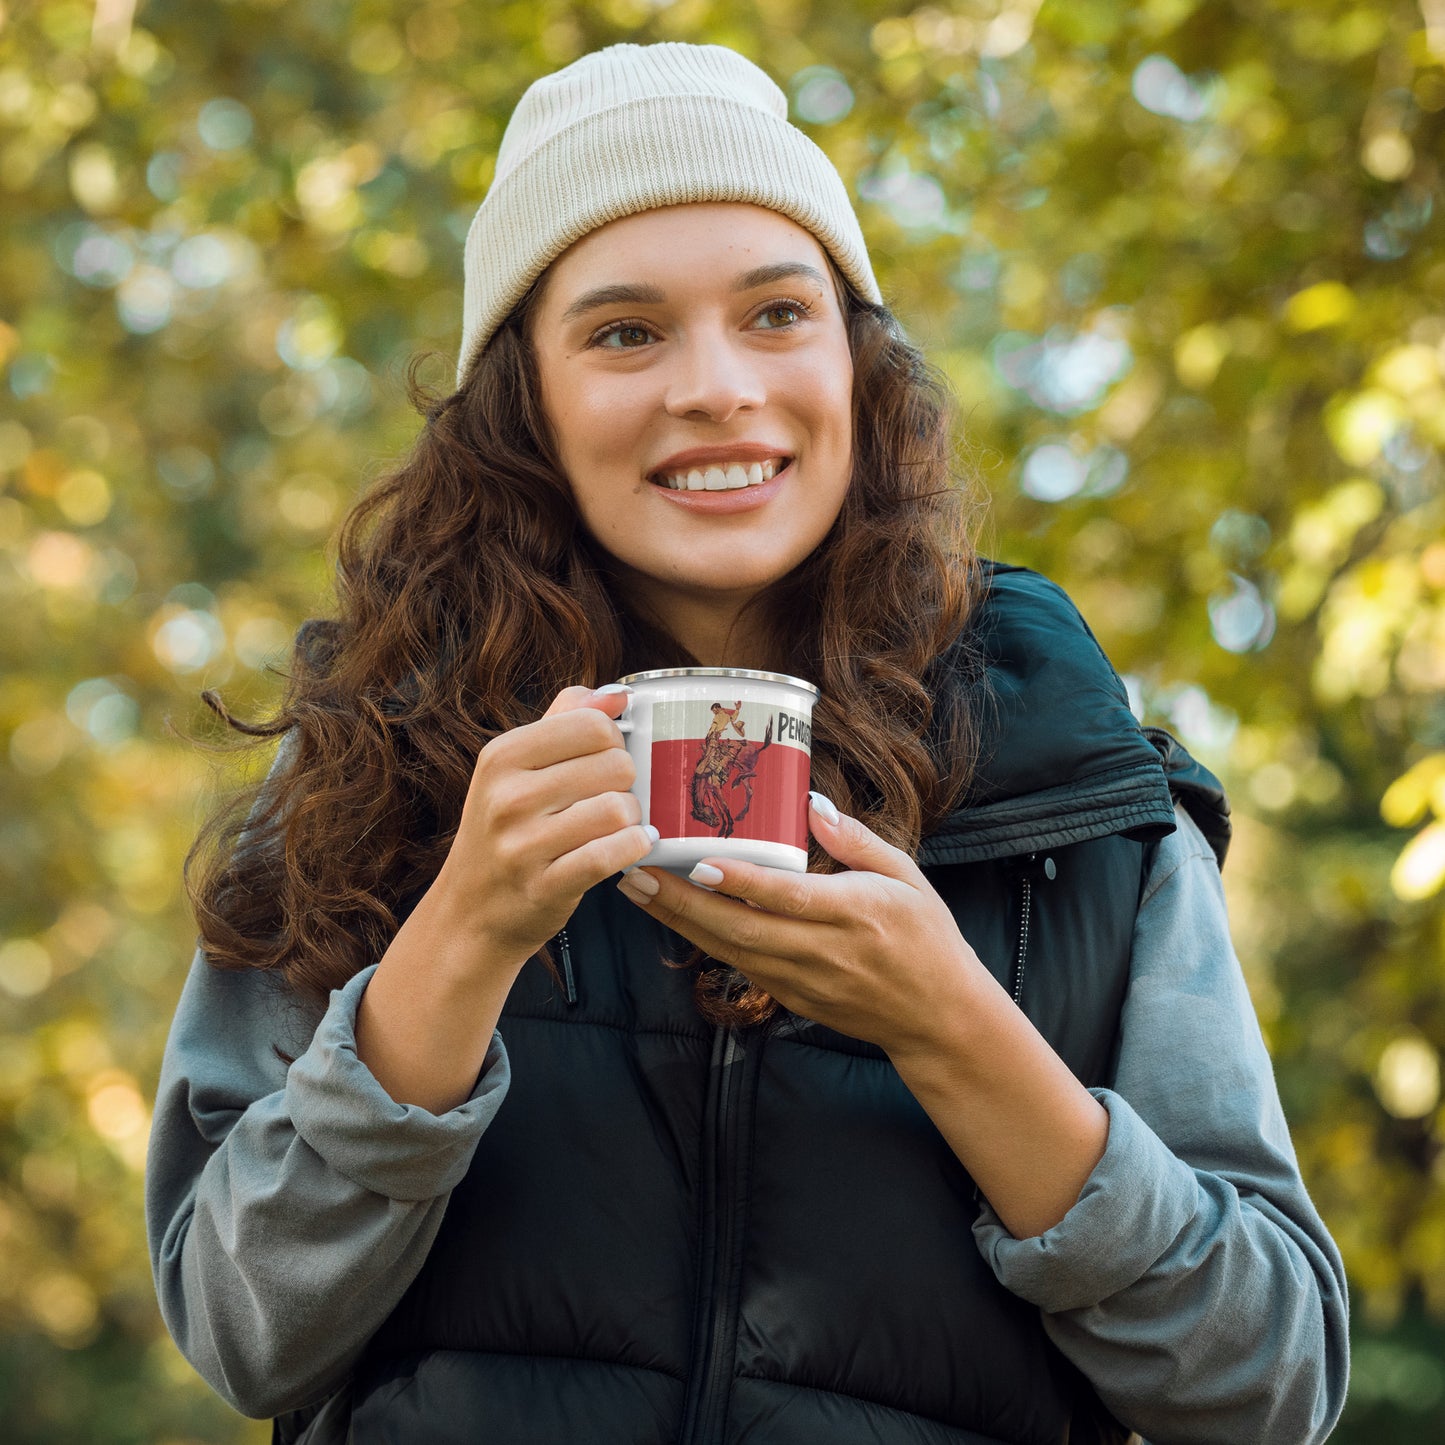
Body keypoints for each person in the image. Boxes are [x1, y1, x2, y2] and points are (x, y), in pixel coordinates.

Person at [146, 40, 1349, 1445]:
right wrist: (460, 936)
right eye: (623, 332)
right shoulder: (372, 767)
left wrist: (949, 1023)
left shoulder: (1072, 795)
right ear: (522, 400)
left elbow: (1269, 1385)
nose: (716, 386)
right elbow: (239, 1334)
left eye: (777, 313)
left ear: (856, 361)